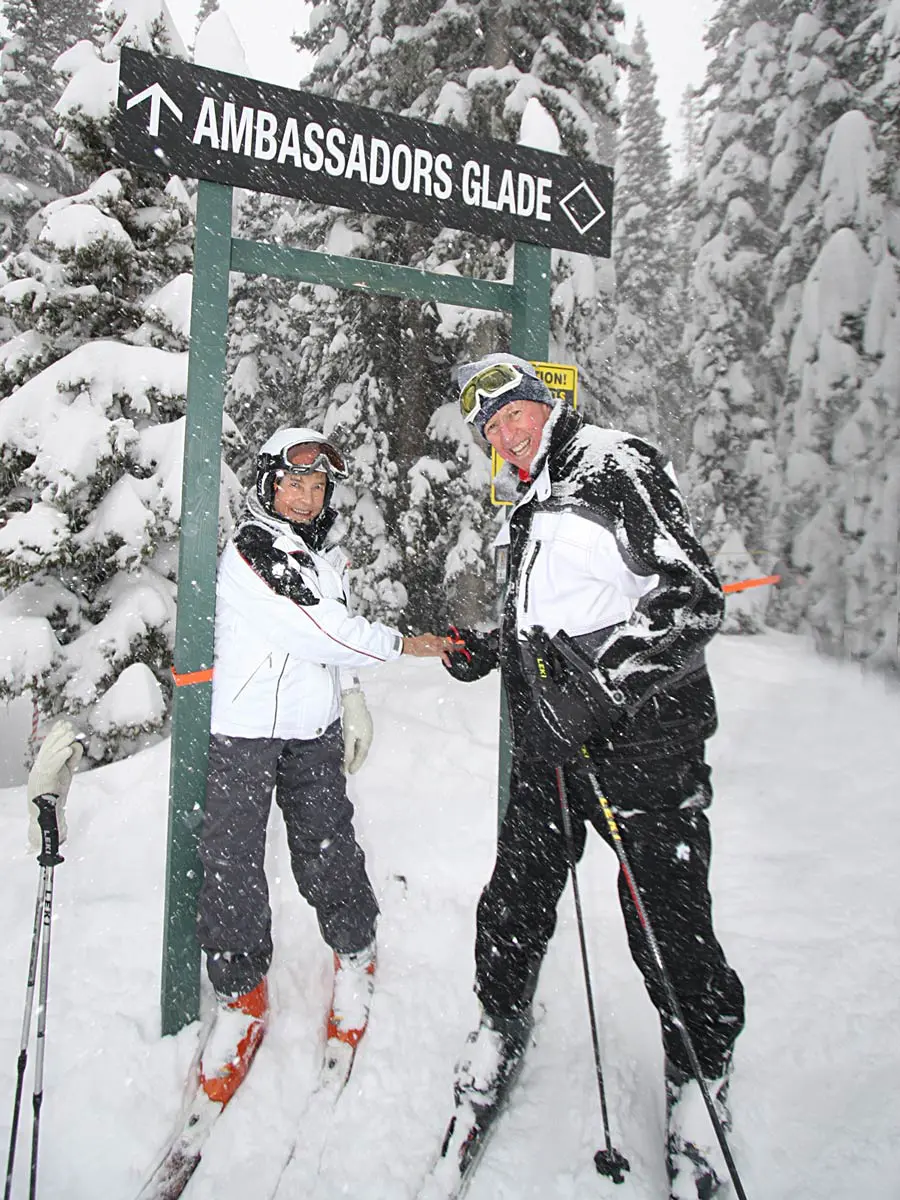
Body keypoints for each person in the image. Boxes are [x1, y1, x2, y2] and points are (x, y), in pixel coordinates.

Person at [438, 355, 745, 1198]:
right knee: (516, 894)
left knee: (664, 916)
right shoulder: (528, 498)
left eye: (516, 414)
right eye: (492, 428)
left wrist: (608, 684)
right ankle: (502, 1020)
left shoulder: (616, 464)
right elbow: (552, 618)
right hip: (555, 746)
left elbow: (692, 599)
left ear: (546, 404)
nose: (507, 434)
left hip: (645, 742)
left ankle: (701, 1068)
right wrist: (491, 648)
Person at [197, 426, 448, 1106]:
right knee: (232, 864)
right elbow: (315, 629)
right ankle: (241, 996)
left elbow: (329, 640)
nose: (307, 496)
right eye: (295, 482)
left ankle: (355, 952)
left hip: (310, 729)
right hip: (245, 729)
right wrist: (406, 645)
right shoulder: (254, 547)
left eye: (317, 486)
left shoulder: (319, 557)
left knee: (328, 846)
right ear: (269, 485)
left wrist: (352, 696)